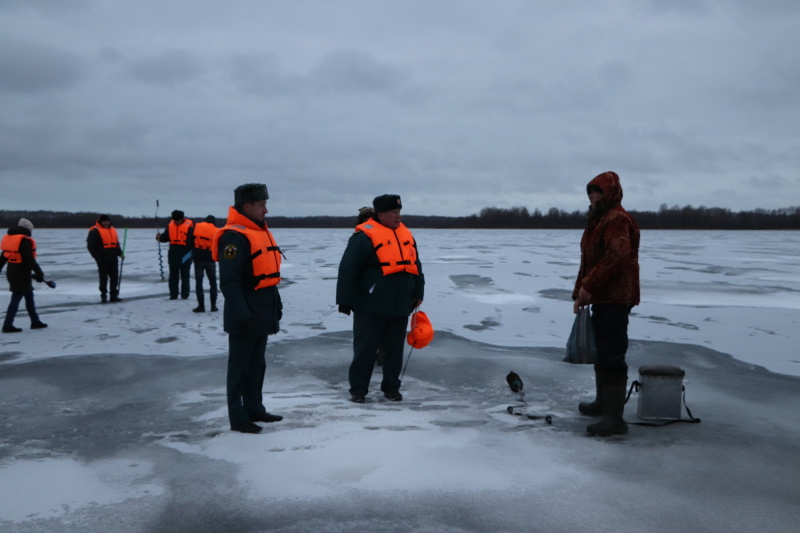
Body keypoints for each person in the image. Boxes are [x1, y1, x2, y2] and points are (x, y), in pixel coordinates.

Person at [336, 194, 425, 403]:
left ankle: (391, 388)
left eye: (399, 212)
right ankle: (358, 390)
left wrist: (418, 292)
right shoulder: (363, 237)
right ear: (381, 214)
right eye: (394, 212)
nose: (398, 216)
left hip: (400, 304)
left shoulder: (407, 236)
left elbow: (416, 267)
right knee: (365, 351)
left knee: (394, 352)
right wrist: (345, 299)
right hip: (370, 305)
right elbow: (348, 269)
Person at [572, 171, 640, 437]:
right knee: (601, 351)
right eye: (590, 191)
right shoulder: (598, 220)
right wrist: (580, 291)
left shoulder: (616, 219)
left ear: (609, 193)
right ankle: (603, 404)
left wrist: (589, 286)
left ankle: (614, 419)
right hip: (601, 294)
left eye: (597, 191)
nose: (592, 196)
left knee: (612, 354)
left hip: (616, 295)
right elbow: (588, 261)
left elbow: (616, 257)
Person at [212, 183, 284, 434]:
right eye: (262, 204)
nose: (266, 209)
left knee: (257, 364)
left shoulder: (257, 231)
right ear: (247, 206)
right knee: (240, 367)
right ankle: (238, 417)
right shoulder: (234, 237)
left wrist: (276, 305)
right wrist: (243, 315)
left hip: (263, 309)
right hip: (245, 313)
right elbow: (230, 283)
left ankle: (254, 408)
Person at [1, 218, 48, 332]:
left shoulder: (11, 239)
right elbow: (29, 260)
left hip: (12, 270)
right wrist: (39, 274)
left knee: (29, 296)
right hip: (21, 272)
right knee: (16, 297)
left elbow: (3, 257)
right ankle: (7, 325)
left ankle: (35, 321)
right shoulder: (24, 240)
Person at [156, 210, 194, 300]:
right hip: (173, 252)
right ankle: (173, 295)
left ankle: (185, 295)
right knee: (173, 275)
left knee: (185, 275)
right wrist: (159, 238)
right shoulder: (170, 225)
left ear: (182, 218)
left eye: (178, 220)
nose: (176, 221)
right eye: (175, 220)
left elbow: (193, 240)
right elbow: (165, 238)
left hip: (186, 252)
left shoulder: (190, 225)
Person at [87, 214, 123, 303]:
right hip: (102, 258)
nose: (106, 223)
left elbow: (116, 244)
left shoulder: (113, 230)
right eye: (104, 221)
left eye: (107, 221)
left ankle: (113, 296)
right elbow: (91, 246)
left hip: (113, 257)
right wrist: (97, 257)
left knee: (114, 277)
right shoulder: (95, 231)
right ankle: (103, 296)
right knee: (103, 278)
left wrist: (120, 253)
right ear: (100, 222)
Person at [189, 215, 219, 313]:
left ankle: (201, 306)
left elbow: (189, 241)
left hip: (198, 258)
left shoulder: (197, 226)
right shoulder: (217, 231)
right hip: (210, 258)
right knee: (213, 282)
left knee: (199, 282)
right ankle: (213, 306)